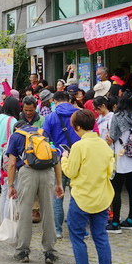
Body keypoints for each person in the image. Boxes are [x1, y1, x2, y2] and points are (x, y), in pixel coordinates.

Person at [61, 109, 116, 264]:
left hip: (82, 197)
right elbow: (110, 172)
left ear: (77, 127)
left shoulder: (78, 146)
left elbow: (71, 172)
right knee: (101, 237)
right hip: (101, 197)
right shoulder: (104, 145)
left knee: (77, 237)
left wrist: (64, 159)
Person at [5, 118, 62, 264]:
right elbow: (56, 159)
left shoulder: (16, 136)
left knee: (25, 211)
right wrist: (59, 183)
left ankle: (23, 251)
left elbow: (11, 164)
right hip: (47, 172)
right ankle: (50, 252)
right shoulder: (43, 134)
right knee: (48, 211)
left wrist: (11, 185)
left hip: (28, 173)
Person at [41, 90, 80, 238]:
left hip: (58, 160)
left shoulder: (50, 117)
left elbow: (44, 138)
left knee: (58, 194)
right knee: (77, 196)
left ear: (55, 101)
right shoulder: (79, 114)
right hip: (78, 159)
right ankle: (78, 229)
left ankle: (57, 230)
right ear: (69, 100)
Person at [105, 93, 132, 233]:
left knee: (115, 190)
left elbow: (113, 137)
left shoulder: (117, 117)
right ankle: (131, 220)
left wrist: (108, 138)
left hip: (121, 157)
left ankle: (115, 222)